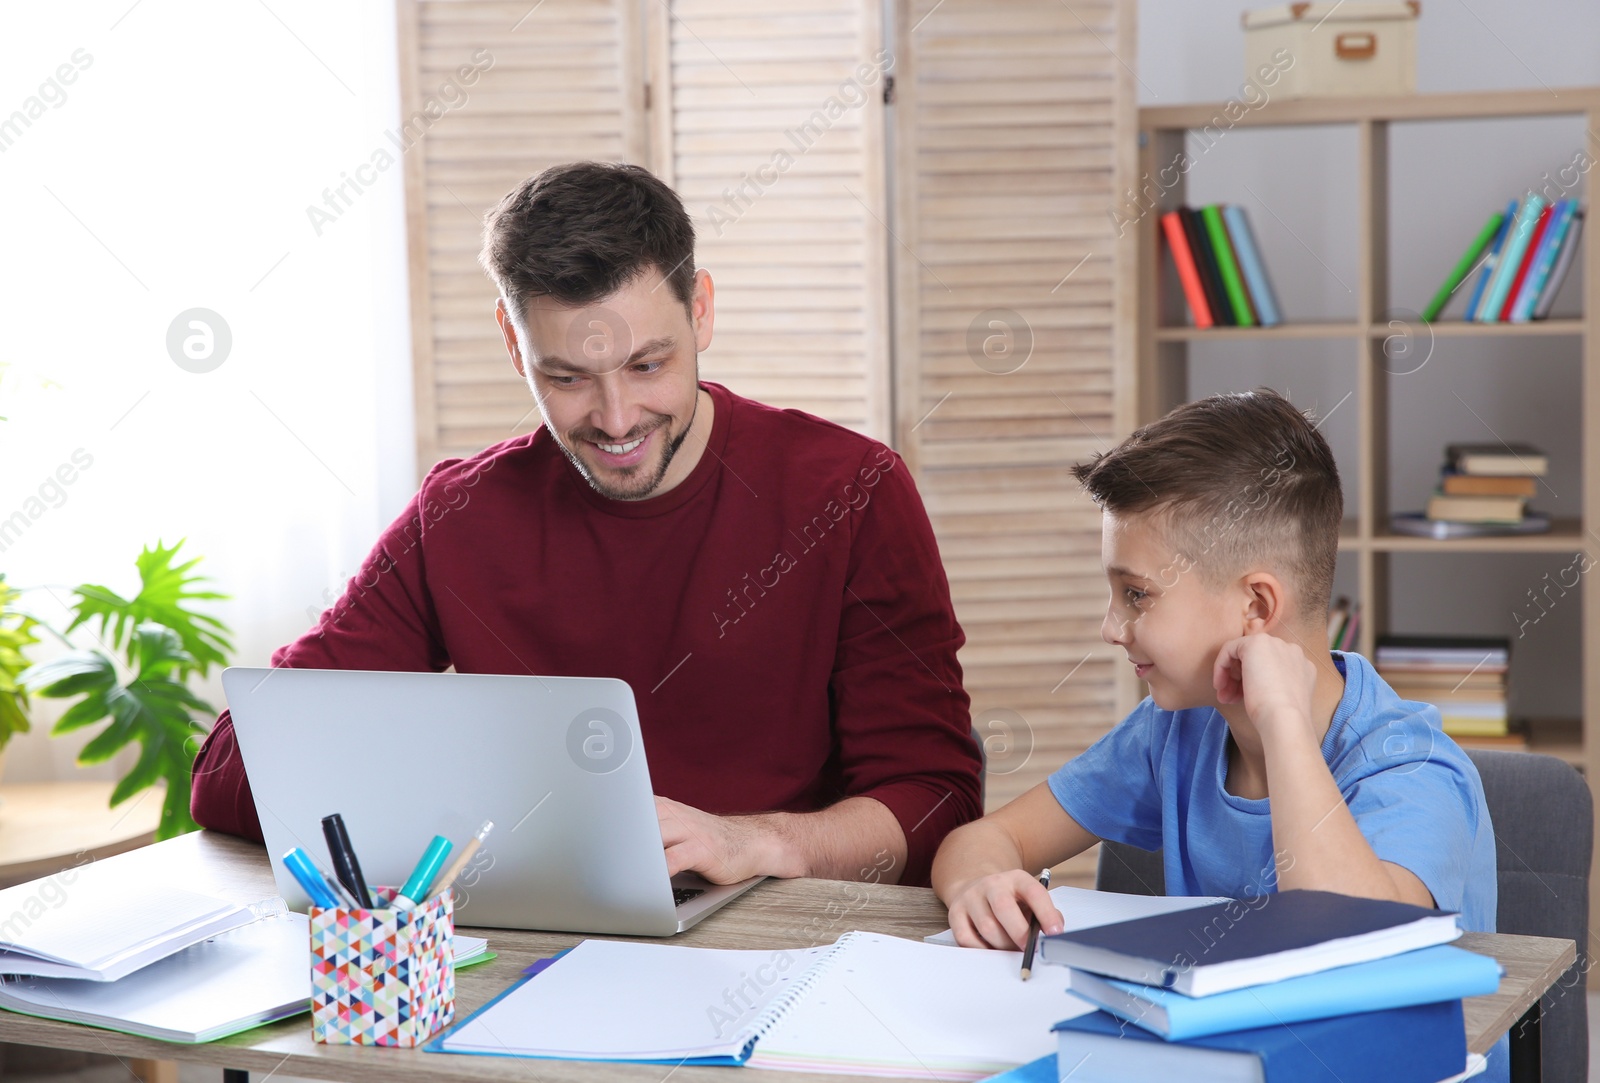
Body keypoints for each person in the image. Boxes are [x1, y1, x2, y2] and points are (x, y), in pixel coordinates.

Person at [191, 160, 981, 888]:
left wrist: (762, 842)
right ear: (512, 341)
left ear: (700, 309)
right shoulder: (461, 513)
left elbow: (934, 798)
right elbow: (231, 766)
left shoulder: (852, 491)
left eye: (648, 365)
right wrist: (438, 791)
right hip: (537, 948)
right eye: (567, 378)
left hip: (788, 938)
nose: (615, 419)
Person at [932, 387, 1497, 941]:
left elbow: (1348, 943)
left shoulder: (1410, 767)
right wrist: (980, 884)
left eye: (1137, 595)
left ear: (1256, 607)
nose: (1110, 629)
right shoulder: (1177, 731)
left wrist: (1282, 722)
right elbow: (986, 839)